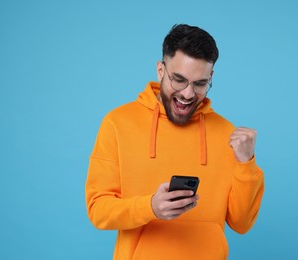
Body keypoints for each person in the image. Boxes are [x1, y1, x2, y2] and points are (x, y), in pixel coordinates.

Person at [85, 24, 264, 260]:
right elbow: (98, 210)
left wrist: (246, 164)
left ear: (210, 77)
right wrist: (150, 207)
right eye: (178, 80)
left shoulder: (227, 134)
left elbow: (241, 224)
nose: (188, 94)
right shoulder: (117, 123)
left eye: (200, 84)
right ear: (160, 70)